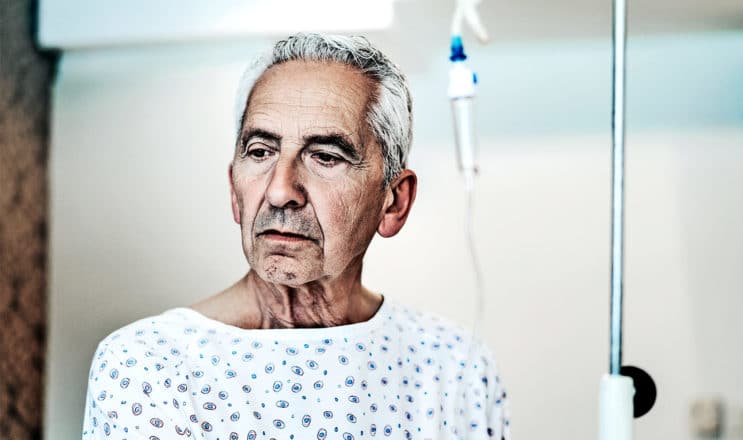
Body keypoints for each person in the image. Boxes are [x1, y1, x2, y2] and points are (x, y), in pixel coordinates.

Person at [82, 33, 510, 439]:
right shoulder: (149, 363)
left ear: (394, 202)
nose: (280, 189)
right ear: (235, 191)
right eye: (261, 152)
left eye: (325, 156)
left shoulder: (456, 366)